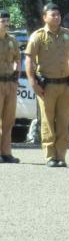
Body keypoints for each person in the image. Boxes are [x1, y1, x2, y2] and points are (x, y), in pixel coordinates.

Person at [24, 3, 69, 167]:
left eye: (59, 15)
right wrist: (32, 82)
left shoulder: (68, 34)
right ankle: (50, 156)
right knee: (47, 121)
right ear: (44, 17)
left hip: (66, 85)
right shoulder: (38, 36)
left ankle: (61, 156)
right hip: (47, 86)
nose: (57, 17)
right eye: (53, 15)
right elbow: (29, 59)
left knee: (63, 121)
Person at [0, 10, 20, 163]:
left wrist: (16, 76)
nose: (6, 24)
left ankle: (6, 152)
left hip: (10, 83)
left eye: (7, 21)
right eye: (3, 21)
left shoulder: (12, 40)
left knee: (9, 119)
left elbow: (17, 59)